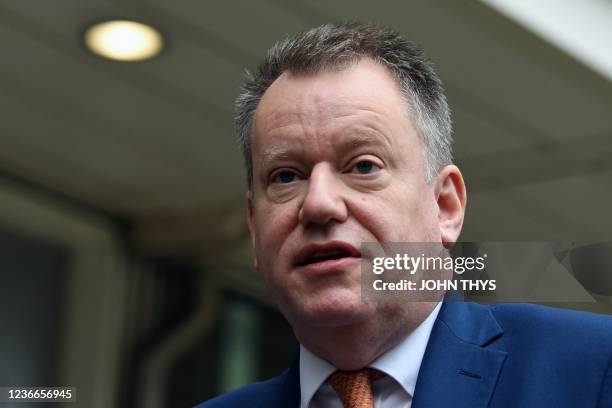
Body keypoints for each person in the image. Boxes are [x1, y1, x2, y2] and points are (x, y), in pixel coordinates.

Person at [196, 22, 612, 407]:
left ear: (445, 206)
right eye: (286, 176)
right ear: (254, 228)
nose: (319, 204)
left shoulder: (592, 369)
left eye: (363, 166)